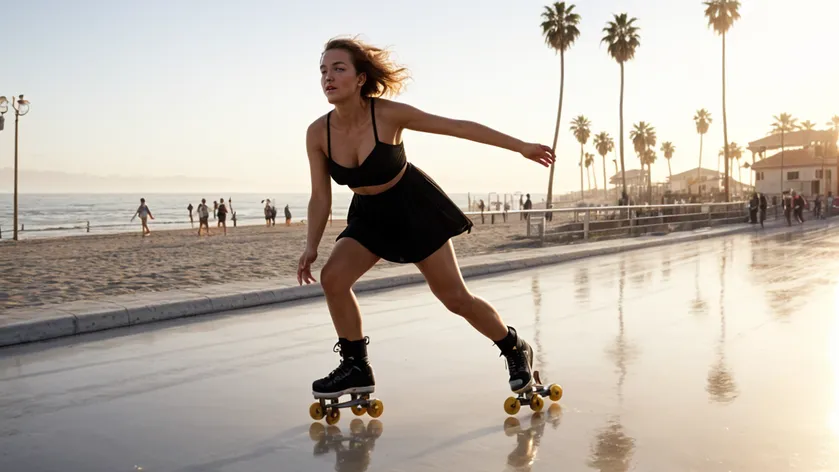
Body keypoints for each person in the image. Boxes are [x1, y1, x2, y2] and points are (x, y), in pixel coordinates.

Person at [297, 37, 555, 400]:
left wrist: (521, 147)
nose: (328, 77)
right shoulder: (317, 133)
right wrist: (310, 246)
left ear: (359, 78)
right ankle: (356, 367)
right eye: (323, 70)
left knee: (455, 299)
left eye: (339, 69)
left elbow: (458, 127)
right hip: (369, 215)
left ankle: (514, 347)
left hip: (412, 208)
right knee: (333, 278)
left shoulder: (387, 115)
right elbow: (320, 196)